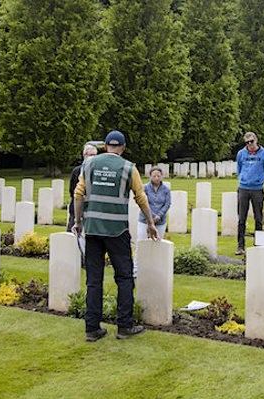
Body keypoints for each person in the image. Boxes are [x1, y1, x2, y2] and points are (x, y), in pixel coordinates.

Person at [73, 130, 159, 342]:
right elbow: (141, 197)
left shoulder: (89, 164)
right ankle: (124, 326)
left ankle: (92, 328)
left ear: (104, 146)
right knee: (124, 277)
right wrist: (150, 222)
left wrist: (78, 222)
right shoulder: (129, 168)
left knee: (94, 280)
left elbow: (78, 194)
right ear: (123, 147)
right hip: (116, 230)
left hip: (93, 229)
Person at [235, 132, 264, 255]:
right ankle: (240, 245)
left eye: (251, 141)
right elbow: (239, 169)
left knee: (258, 217)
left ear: (256, 140)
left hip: (257, 188)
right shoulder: (241, 154)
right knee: (241, 218)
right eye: (247, 142)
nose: (249, 144)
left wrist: (258, 180)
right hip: (243, 188)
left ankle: (259, 244)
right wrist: (244, 179)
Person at [134, 167, 171, 276]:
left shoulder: (166, 190)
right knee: (141, 244)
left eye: (158, 176)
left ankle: (154, 270)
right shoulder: (144, 188)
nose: (156, 178)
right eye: (154, 176)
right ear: (150, 176)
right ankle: (136, 271)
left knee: (157, 244)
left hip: (160, 221)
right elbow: (143, 202)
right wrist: (150, 217)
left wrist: (158, 216)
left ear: (162, 176)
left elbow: (167, 204)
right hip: (144, 220)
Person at [67, 144, 99, 232]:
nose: (93, 157)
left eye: (95, 155)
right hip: (77, 206)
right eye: (91, 155)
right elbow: (72, 190)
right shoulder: (76, 171)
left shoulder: (98, 171)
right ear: (84, 156)